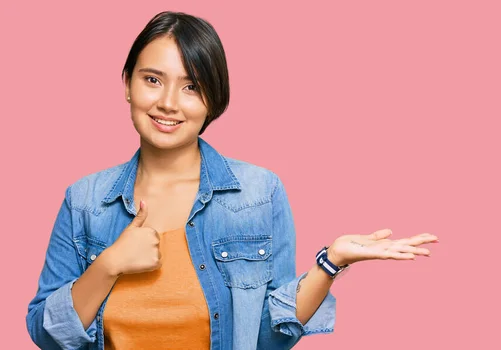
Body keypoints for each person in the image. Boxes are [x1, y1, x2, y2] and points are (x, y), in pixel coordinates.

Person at [26, 11, 438, 350]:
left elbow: (268, 338)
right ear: (127, 86)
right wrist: (109, 265)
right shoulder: (84, 201)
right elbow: (46, 333)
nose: (168, 102)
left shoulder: (259, 193)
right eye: (152, 79)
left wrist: (331, 263)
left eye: (192, 87)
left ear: (213, 100)